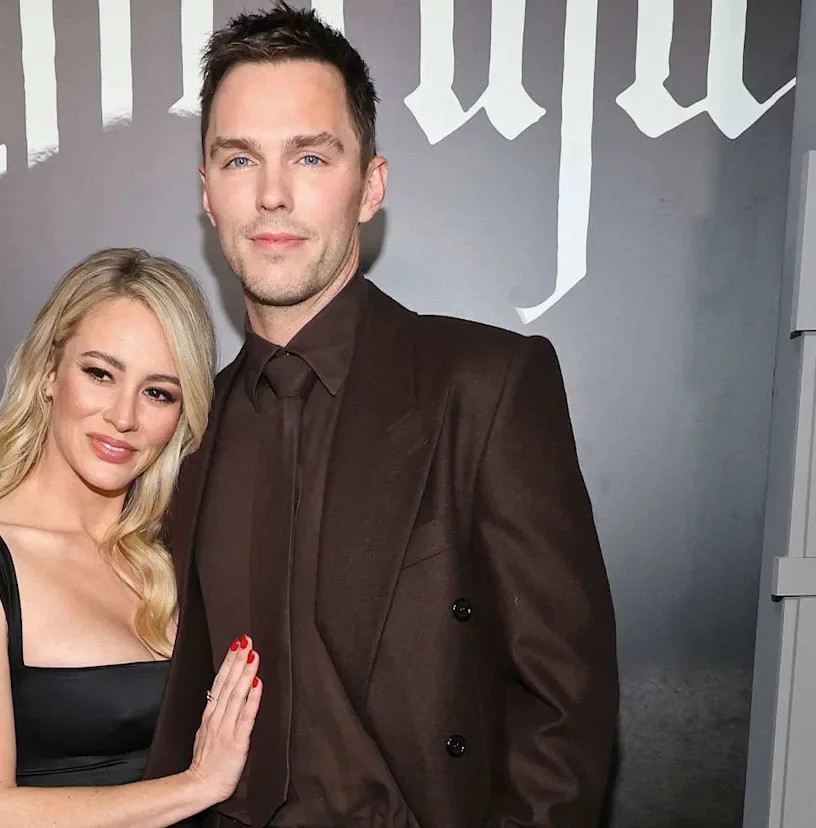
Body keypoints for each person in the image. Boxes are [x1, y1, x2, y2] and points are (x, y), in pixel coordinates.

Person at [144, 4, 620, 827]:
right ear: (208, 195)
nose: (272, 195)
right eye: (239, 159)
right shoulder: (188, 428)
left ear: (370, 186)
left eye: (311, 156)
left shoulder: (483, 386)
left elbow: (565, 702)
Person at [0, 247, 264, 828]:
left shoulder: (183, 552)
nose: (123, 417)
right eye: (101, 374)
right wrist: (198, 785)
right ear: (49, 373)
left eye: (158, 392)